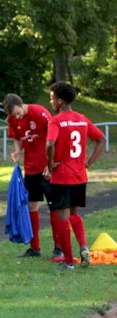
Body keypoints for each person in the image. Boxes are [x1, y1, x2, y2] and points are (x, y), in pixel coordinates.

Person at [45, 81, 107, 270]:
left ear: (60, 102)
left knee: (62, 217)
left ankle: (69, 261)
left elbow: (49, 144)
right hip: (80, 175)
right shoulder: (82, 118)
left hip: (62, 175)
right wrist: (88, 163)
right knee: (74, 214)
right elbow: (101, 139)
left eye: (52, 99)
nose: (51, 102)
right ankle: (83, 247)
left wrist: (50, 165)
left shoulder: (56, 121)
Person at [3, 93, 62, 261]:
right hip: (30, 169)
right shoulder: (12, 120)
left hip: (47, 167)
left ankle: (58, 247)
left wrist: (50, 164)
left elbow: (54, 136)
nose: (17, 117)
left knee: (54, 206)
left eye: (18, 113)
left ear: (22, 104)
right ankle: (34, 247)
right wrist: (18, 151)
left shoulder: (39, 112)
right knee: (31, 206)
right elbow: (16, 137)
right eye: (14, 115)